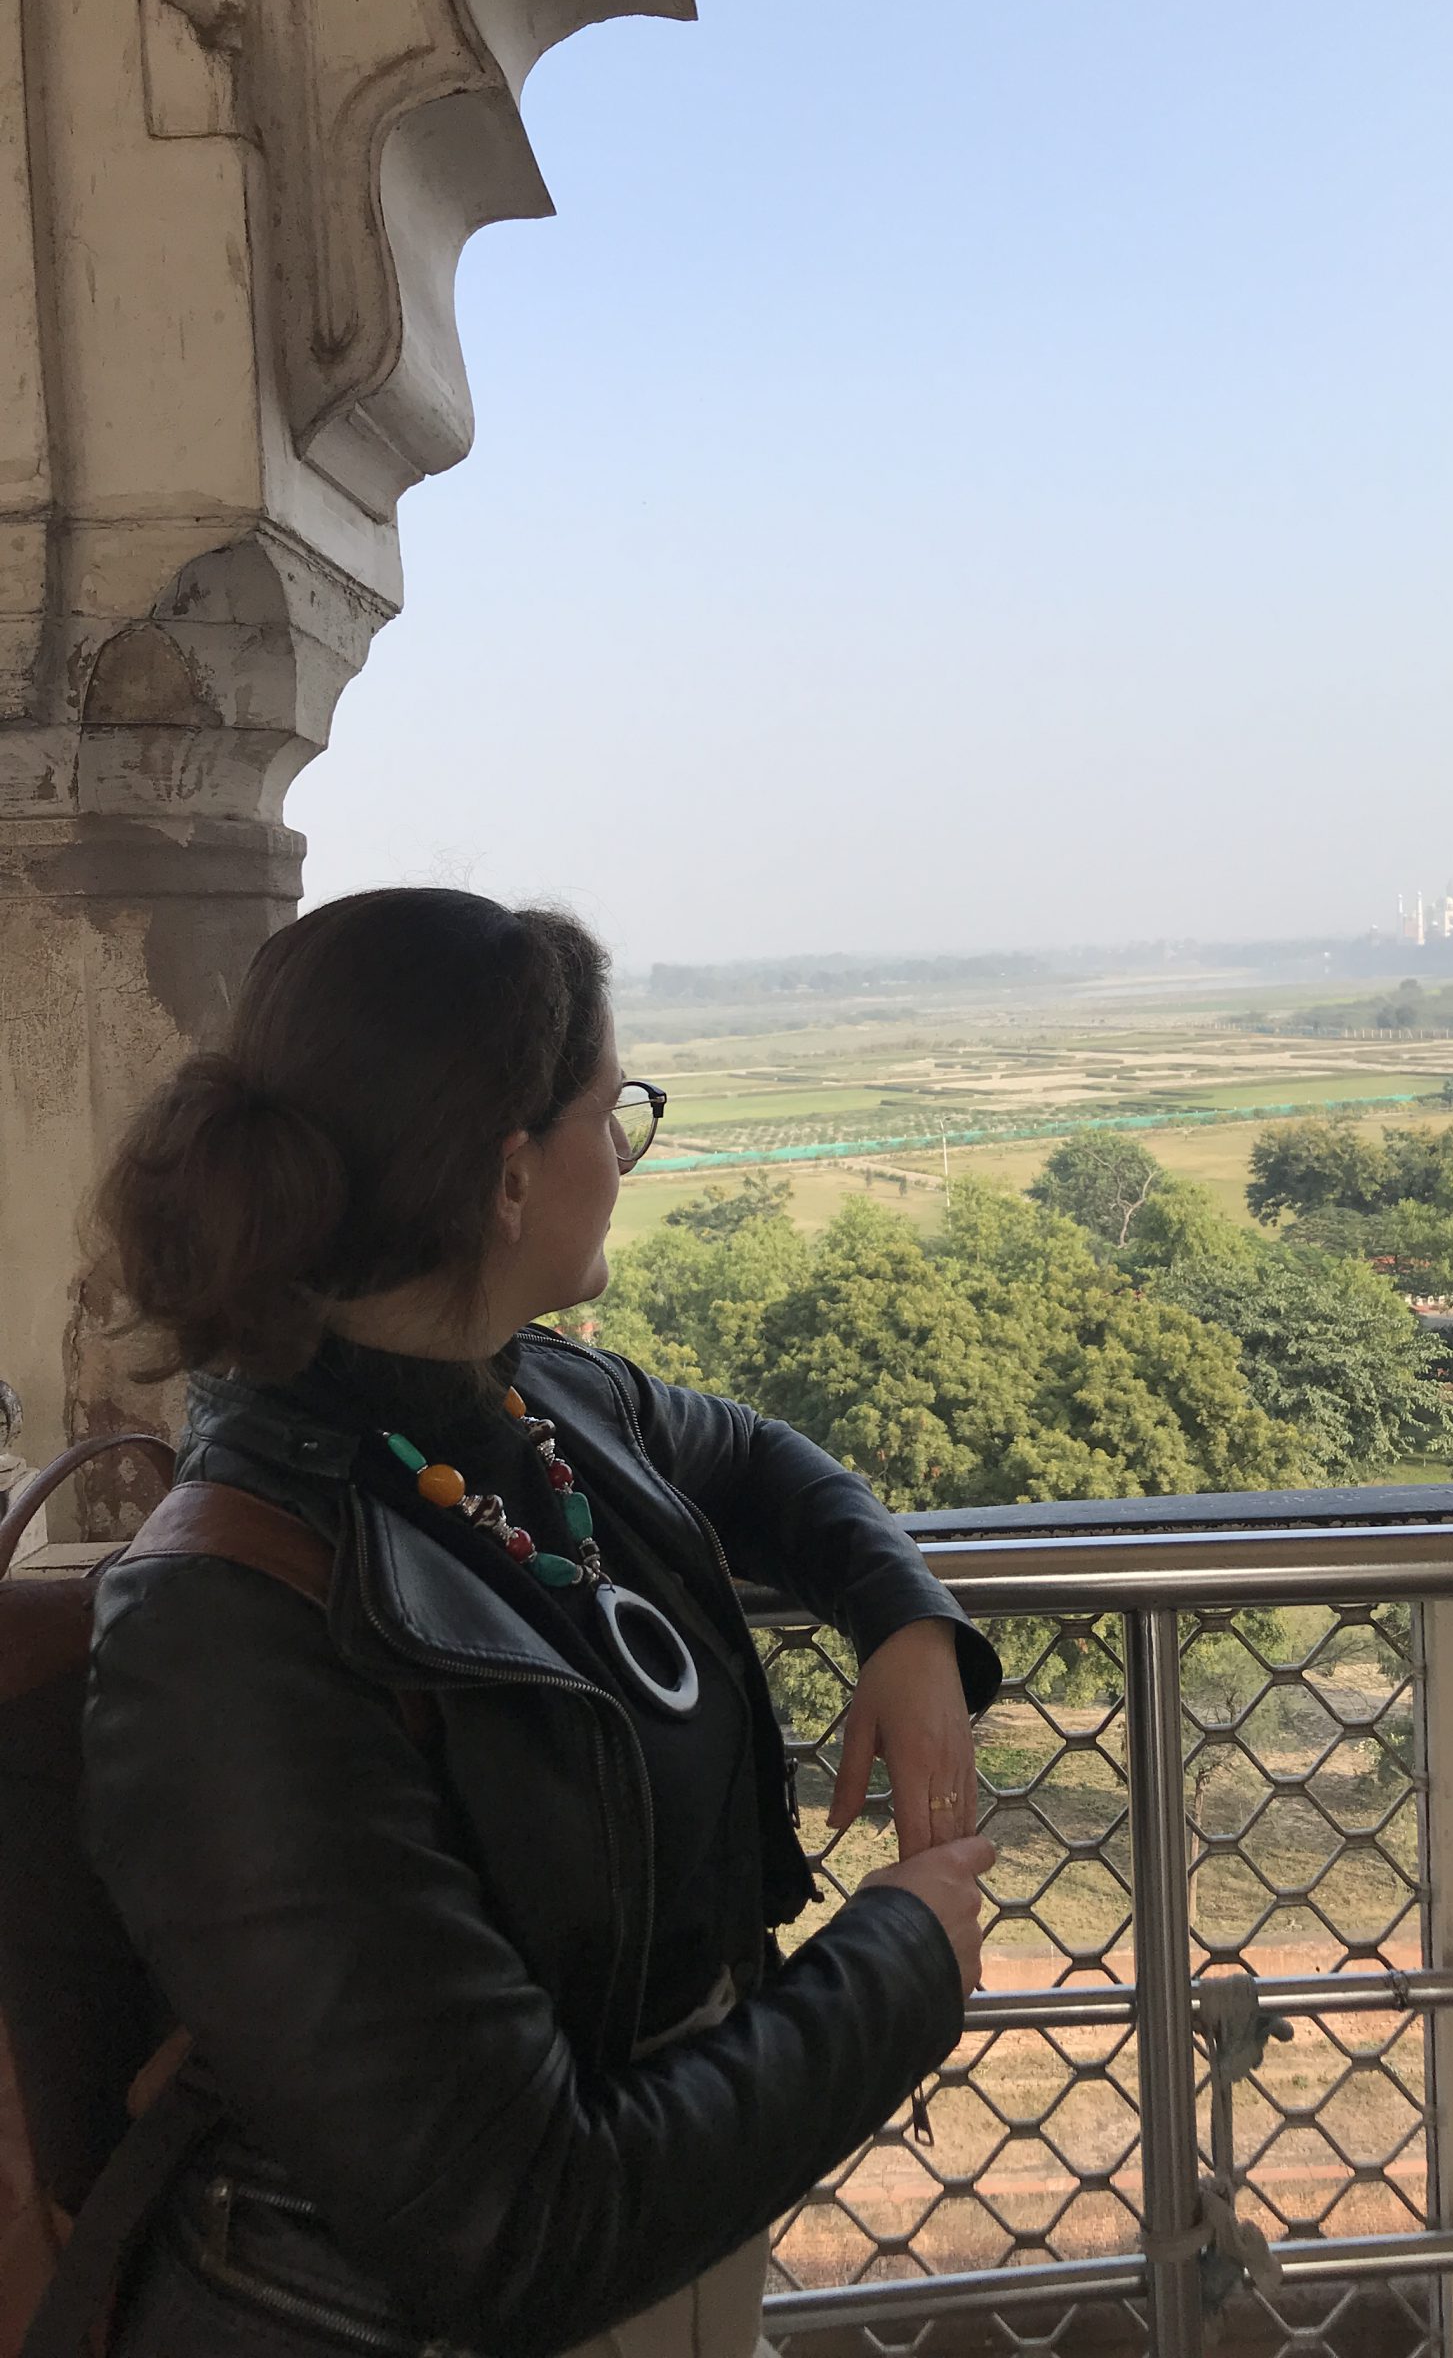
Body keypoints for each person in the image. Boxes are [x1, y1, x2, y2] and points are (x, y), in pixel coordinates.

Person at [83, 887, 1000, 2358]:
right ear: (509, 1178)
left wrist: (903, 1617)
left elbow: (755, 1456)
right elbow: (516, 2224)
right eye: (609, 1116)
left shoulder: (529, 1394)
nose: (626, 1157)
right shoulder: (228, 1632)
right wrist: (900, 1965)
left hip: (681, 2252)